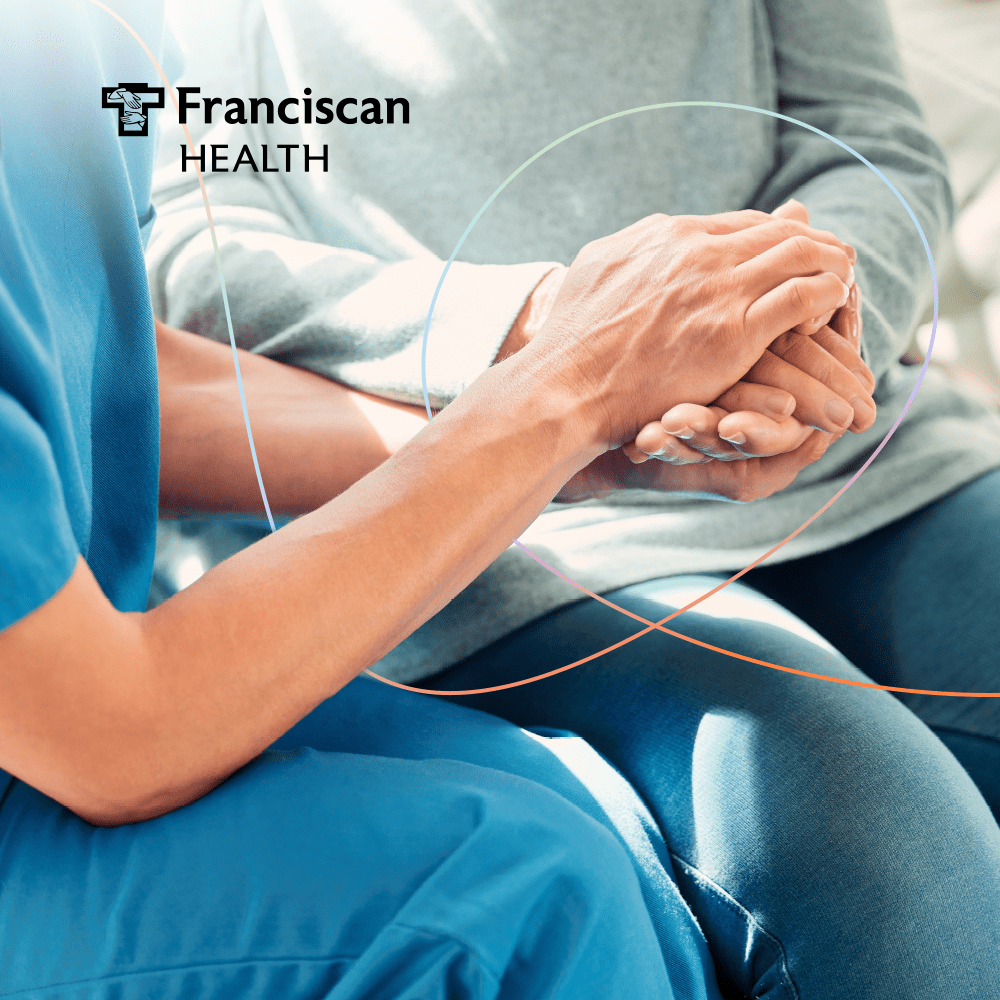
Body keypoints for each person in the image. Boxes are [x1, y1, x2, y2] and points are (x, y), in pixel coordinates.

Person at [6, 3, 968, 999]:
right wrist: (555, 360)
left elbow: (125, 370)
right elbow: (111, 730)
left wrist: (607, 431)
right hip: (455, 554)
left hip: (792, 455)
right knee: (602, 894)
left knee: (586, 873)